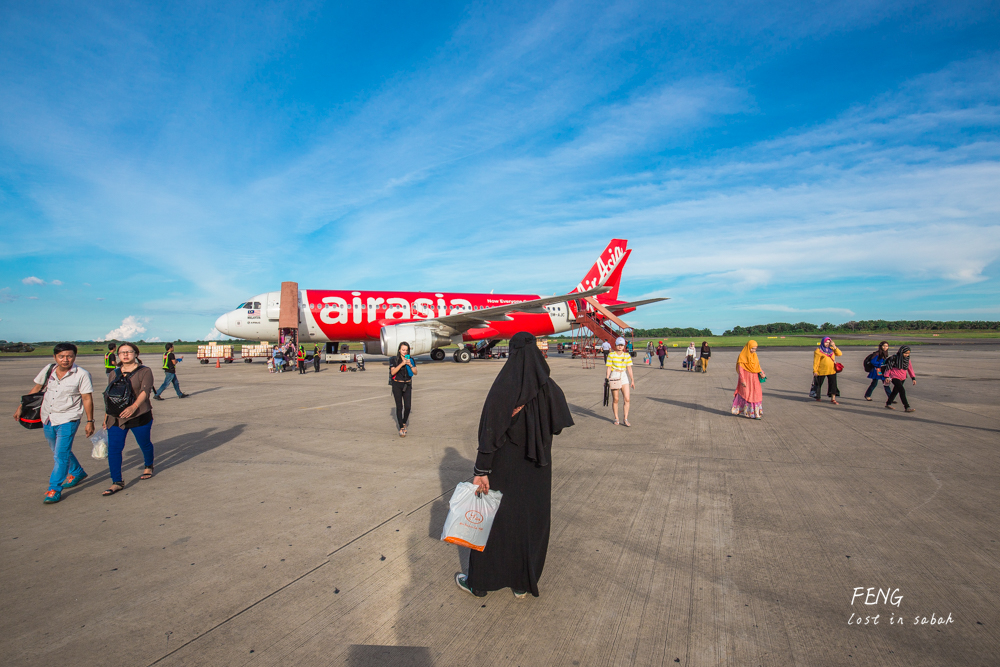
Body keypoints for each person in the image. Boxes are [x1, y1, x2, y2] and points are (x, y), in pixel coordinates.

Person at [455, 331, 574, 599]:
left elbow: (490, 432)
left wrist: (481, 471)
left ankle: (480, 582)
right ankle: (522, 582)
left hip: (505, 469)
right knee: (531, 524)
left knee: (493, 524)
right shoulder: (549, 387)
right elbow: (559, 424)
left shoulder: (505, 386)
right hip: (538, 470)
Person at [13, 343, 95, 504]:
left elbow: (86, 398)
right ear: (55, 357)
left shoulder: (82, 374)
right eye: (61, 356)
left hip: (69, 418)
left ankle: (54, 489)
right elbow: (37, 387)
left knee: (60, 455)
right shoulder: (49, 369)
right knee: (57, 449)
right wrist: (21, 406)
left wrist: (90, 421)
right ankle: (77, 471)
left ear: (75, 357)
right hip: (48, 417)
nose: (65, 359)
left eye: (69, 356)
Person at [102, 342, 155, 496]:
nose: (125, 355)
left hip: (138, 415)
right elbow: (109, 396)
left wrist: (134, 407)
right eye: (122, 352)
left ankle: (149, 465)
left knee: (144, 443)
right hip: (117, 417)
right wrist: (106, 416)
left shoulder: (145, 371)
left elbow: (145, 391)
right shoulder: (114, 373)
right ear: (118, 355)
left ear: (136, 354)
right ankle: (117, 481)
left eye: (129, 352)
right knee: (114, 449)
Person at [389, 342, 417, 437]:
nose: (405, 352)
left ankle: (404, 422)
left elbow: (415, 372)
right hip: (397, 384)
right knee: (399, 406)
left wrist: (410, 365)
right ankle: (401, 427)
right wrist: (402, 364)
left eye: (406, 350)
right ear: (399, 350)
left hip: (407, 384)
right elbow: (393, 372)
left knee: (408, 406)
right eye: (403, 350)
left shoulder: (411, 359)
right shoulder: (394, 359)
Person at [732, 340, 765, 419]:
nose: (754, 350)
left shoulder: (754, 355)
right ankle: (739, 409)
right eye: (752, 348)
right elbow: (740, 370)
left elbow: (757, 366)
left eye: (755, 349)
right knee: (745, 394)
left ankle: (756, 412)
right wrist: (742, 380)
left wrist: (761, 372)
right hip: (746, 378)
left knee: (756, 394)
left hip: (755, 378)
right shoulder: (742, 356)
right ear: (748, 347)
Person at [605, 336, 635, 426]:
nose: (620, 346)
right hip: (614, 375)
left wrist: (632, 380)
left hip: (624, 376)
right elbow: (609, 367)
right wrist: (607, 378)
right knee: (616, 399)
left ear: (624, 346)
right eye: (618, 345)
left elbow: (629, 368)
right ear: (615, 345)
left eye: (622, 345)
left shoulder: (626, 355)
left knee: (627, 398)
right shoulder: (611, 355)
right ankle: (616, 418)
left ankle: (625, 418)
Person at [883, 346, 917, 412]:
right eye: (905, 353)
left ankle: (888, 403)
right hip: (894, 376)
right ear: (901, 352)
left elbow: (910, 369)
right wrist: (886, 376)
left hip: (903, 377)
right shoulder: (894, 358)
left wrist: (913, 378)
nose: (907, 355)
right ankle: (907, 407)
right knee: (902, 390)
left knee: (895, 391)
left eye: (908, 353)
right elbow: (888, 367)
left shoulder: (907, 360)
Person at [812, 337, 843, 405]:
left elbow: (840, 354)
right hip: (821, 370)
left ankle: (833, 399)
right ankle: (817, 396)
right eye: (826, 342)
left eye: (829, 342)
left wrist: (834, 346)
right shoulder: (818, 351)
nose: (827, 344)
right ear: (823, 342)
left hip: (832, 370)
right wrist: (815, 371)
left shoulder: (832, 349)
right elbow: (816, 362)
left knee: (833, 384)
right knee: (818, 384)